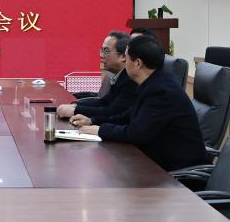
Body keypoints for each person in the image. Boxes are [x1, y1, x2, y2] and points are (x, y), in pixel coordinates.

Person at [78, 35, 207, 171]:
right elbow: (126, 116)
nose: (124, 63)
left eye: (126, 58)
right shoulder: (153, 82)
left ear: (138, 63)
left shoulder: (161, 92)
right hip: (155, 162)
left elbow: (136, 133)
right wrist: (92, 121)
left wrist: (100, 130)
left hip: (176, 172)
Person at [57, 32, 135, 122]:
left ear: (123, 56)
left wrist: (74, 111)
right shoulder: (120, 76)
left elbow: (113, 112)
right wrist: (75, 105)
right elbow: (104, 102)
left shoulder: (131, 79)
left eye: (106, 51)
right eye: (101, 50)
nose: (101, 55)